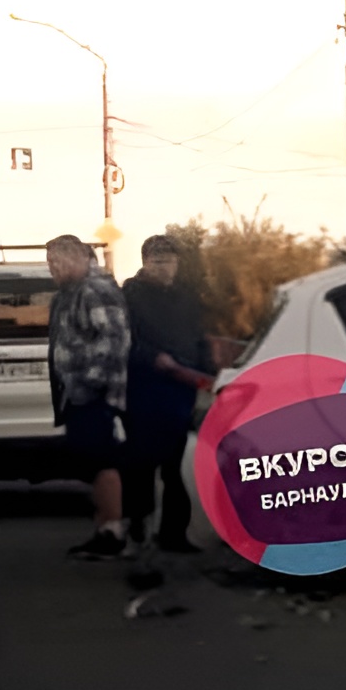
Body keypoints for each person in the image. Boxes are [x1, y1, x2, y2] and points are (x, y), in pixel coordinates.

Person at [121, 234, 213, 554]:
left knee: (178, 467)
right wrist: (151, 358)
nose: (165, 268)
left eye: (170, 261)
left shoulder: (188, 296)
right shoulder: (129, 295)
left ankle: (174, 534)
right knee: (141, 465)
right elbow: (124, 341)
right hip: (144, 391)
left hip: (182, 390)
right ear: (145, 262)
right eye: (158, 261)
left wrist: (208, 373)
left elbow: (200, 337)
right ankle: (138, 529)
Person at [46, 235, 131, 559]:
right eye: (50, 263)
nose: (51, 269)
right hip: (79, 394)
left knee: (102, 460)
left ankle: (112, 534)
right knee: (92, 461)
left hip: (94, 394)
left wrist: (88, 386)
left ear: (78, 258)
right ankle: (102, 528)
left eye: (56, 262)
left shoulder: (95, 289)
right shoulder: (72, 291)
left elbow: (115, 341)